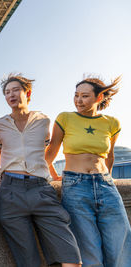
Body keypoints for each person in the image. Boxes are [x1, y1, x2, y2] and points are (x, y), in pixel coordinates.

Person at [0, 74, 81, 267]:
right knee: (28, 262)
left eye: (15, 90)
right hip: (10, 191)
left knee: (71, 258)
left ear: (27, 93)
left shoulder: (43, 120)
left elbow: (46, 152)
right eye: (7, 92)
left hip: (42, 190)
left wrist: (54, 175)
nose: (10, 95)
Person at [46, 75, 131, 266]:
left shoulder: (112, 123)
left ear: (98, 98)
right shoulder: (65, 118)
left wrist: (108, 178)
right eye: (76, 95)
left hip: (105, 184)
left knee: (121, 240)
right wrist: (51, 175)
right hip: (75, 186)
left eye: (84, 96)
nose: (78, 100)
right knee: (88, 248)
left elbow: (109, 155)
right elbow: (51, 150)